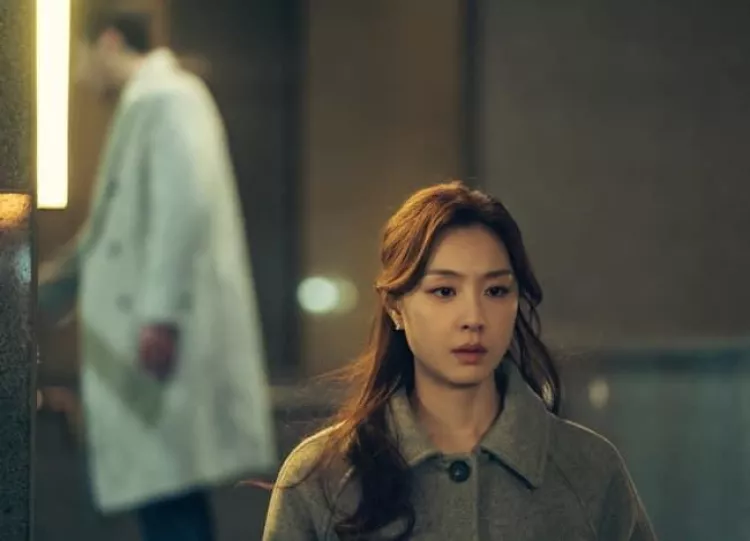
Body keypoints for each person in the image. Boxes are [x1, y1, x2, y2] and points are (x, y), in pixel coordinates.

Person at [262, 181, 657, 540]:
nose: (474, 318)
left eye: (496, 291)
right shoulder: (324, 475)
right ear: (396, 307)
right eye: (445, 291)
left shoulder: (588, 469)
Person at [38, 10, 276, 541]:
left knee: (169, 496)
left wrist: (159, 316)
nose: (79, 75)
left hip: (156, 340)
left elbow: (180, 207)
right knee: (168, 495)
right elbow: (112, 230)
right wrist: (43, 288)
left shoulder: (166, 98)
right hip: (149, 336)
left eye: (80, 56)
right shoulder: (158, 100)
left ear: (108, 42)